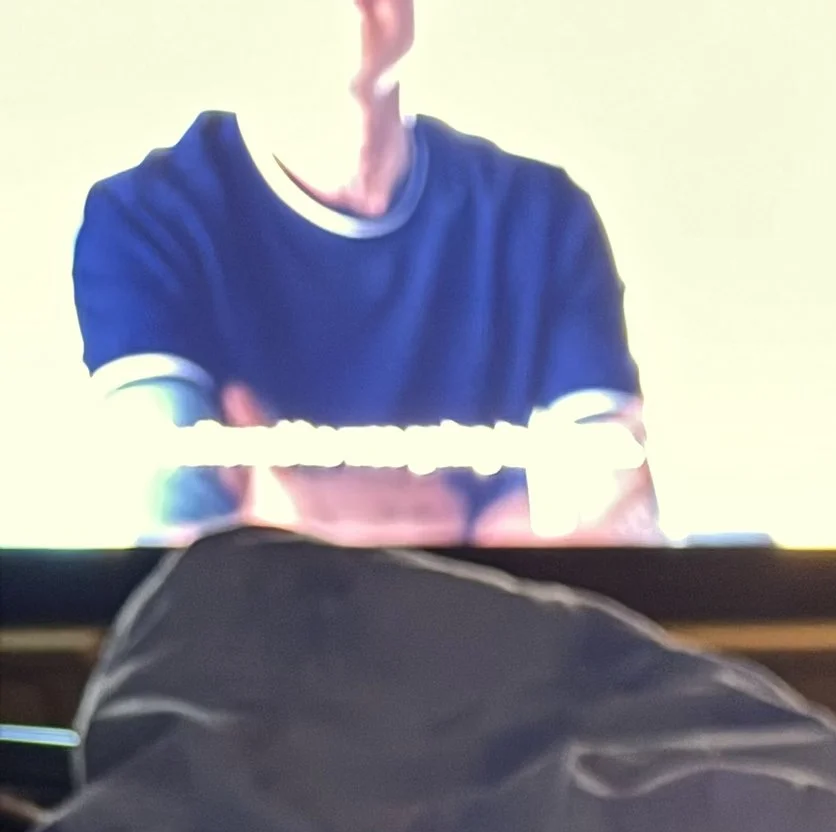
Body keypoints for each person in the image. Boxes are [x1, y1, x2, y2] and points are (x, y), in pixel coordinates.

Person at [73, 0, 659, 547]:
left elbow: (617, 530)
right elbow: (176, 548)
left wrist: (295, 518)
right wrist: (469, 527)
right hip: (251, 655)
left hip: (492, 651)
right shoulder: (146, 219)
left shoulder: (541, 216)